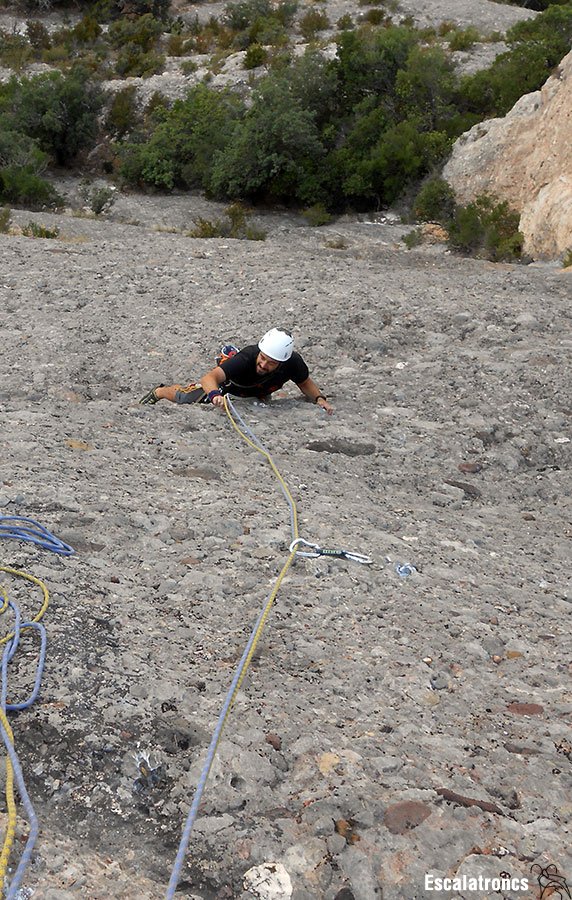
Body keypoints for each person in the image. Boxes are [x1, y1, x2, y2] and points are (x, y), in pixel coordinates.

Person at [140, 328, 334, 415]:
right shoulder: (247, 358)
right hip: (228, 388)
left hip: (257, 391)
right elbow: (209, 378)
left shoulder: (293, 363)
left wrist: (319, 399)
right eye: (262, 358)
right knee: (184, 397)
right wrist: (214, 395)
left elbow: (304, 382)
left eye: (271, 363)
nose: (263, 365)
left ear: (282, 363)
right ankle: (160, 392)